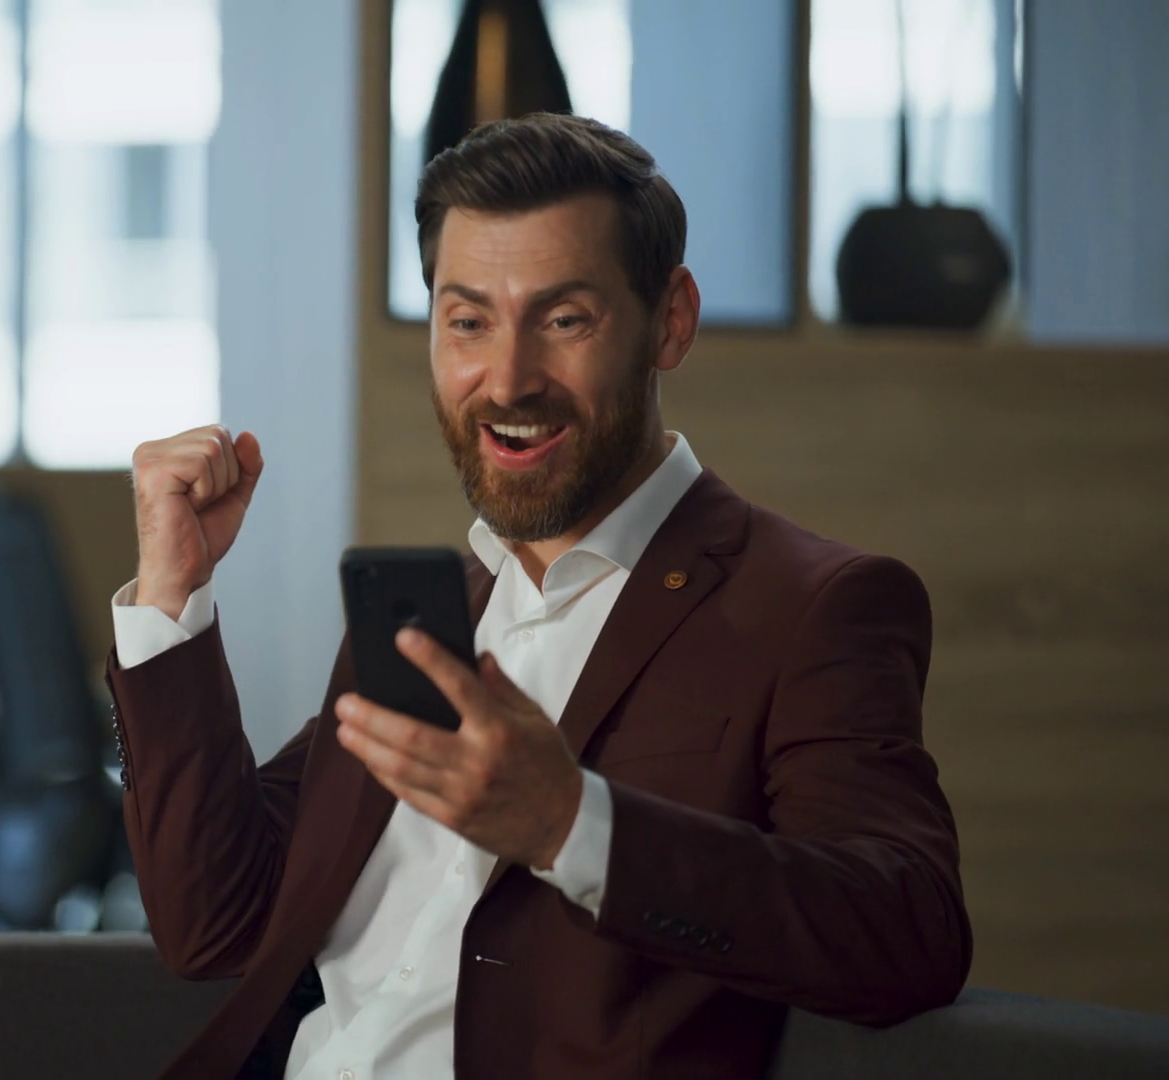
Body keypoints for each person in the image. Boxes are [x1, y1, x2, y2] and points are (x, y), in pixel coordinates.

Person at [108, 115, 969, 1078]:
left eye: (564, 321)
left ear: (670, 320)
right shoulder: (426, 620)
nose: (508, 380)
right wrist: (171, 596)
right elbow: (217, 924)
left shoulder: (814, 607)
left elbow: (908, 931)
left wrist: (572, 825)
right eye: (468, 322)